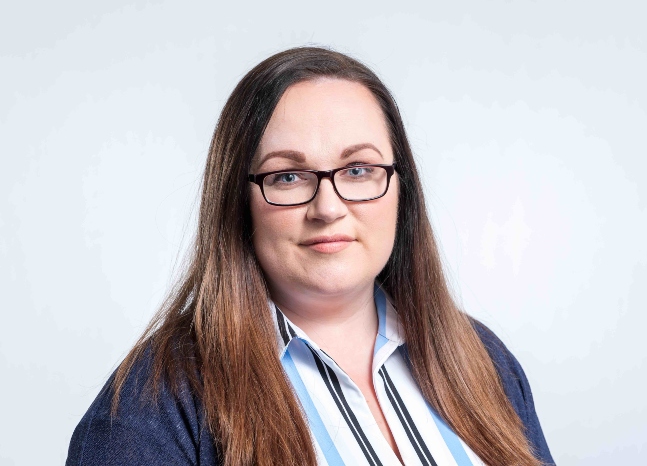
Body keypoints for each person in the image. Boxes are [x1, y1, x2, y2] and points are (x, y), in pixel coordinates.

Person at [66, 47, 554, 466]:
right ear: (237, 201)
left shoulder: (481, 359)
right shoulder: (154, 402)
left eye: (359, 169)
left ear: (401, 188)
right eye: (287, 177)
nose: (328, 208)